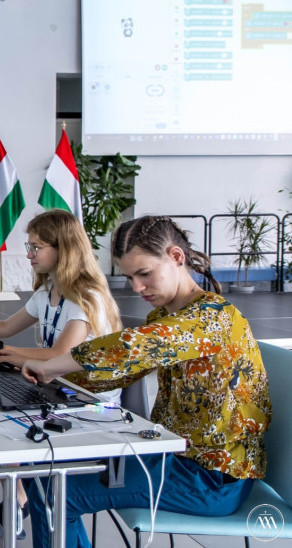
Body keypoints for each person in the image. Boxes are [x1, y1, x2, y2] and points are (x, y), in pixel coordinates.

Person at [19, 215, 271, 548]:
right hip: (173, 457)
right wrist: (47, 379)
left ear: (176, 257)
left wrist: (52, 366)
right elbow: (119, 372)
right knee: (42, 467)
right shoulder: (166, 316)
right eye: (129, 277)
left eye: (145, 273)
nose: (137, 287)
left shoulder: (213, 318)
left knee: (51, 492)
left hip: (212, 478)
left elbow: (131, 346)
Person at [0, 209, 122, 546]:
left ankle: (13, 503)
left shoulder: (85, 296)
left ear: (63, 249)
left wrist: (8, 353)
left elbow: (61, 354)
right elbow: (7, 326)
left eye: (37, 247)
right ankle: (1, 505)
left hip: (86, 402)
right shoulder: (49, 289)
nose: (29, 254)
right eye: (29, 246)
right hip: (56, 386)